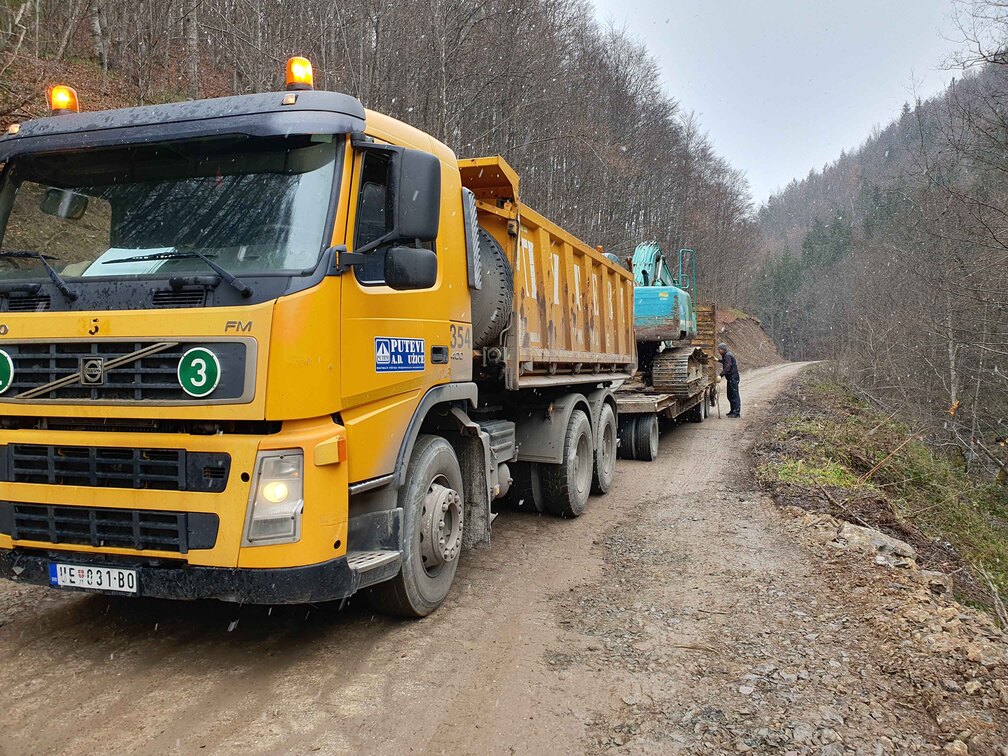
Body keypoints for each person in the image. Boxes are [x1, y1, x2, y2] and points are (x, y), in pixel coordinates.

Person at [718, 343, 741, 418]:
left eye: (719, 349)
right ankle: (732, 410)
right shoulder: (726, 355)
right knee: (730, 395)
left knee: (734, 395)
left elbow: (727, 367)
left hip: (733, 378)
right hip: (731, 378)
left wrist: (720, 375)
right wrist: (718, 360)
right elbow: (726, 362)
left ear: (723, 349)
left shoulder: (727, 355)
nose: (718, 351)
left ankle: (736, 412)